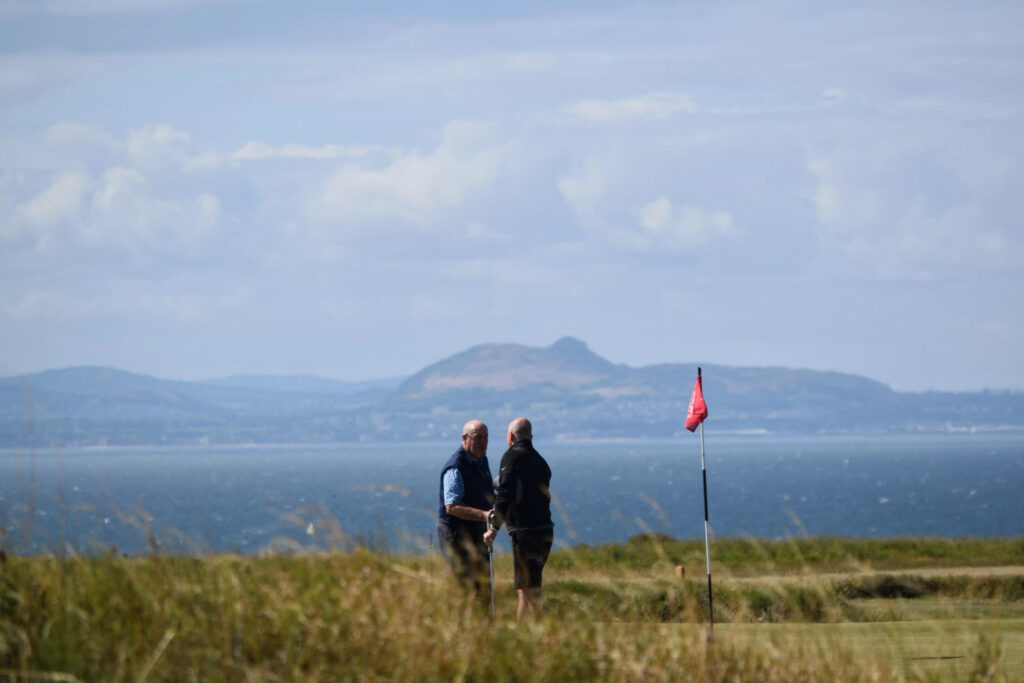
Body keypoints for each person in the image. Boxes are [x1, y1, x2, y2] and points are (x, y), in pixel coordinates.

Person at [484, 417, 553, 622]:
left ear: (510, 436)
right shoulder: (540, 460)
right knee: (524, 587)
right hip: (545, 529)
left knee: (531, 589)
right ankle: (519, 636)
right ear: (530, 436)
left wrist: (494, 527)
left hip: (525, 531)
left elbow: (505, 492)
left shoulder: (512, 456)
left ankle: (557, 633)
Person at [437, 419, 495, 604]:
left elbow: (485, 492)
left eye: (486, 437)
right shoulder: (456, 467)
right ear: (464, 438)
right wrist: (484, 515)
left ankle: (484, 627)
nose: (483, 442)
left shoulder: (481, 460)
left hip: (477, 533)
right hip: (456, 535)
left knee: (483, 586)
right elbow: (451, 506)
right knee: (464, 586)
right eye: (478, 437)